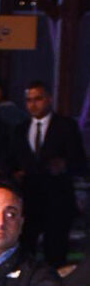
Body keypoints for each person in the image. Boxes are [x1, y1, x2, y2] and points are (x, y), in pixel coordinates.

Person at [11, 80, 88, 267]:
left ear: (49, 99)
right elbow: (11, 159)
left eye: (38, 99)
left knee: (55, 252)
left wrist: (64, 165)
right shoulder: (20, 128)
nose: (33, 104)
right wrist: (15, 173)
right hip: (29, 200)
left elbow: (80, 161)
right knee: (25, 250)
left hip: (57, 200)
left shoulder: (66, 126)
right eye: (29, 100)